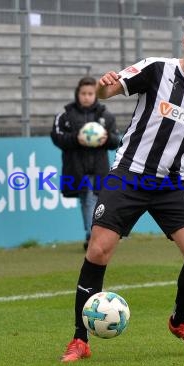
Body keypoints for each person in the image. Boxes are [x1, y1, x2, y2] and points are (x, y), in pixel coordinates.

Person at [60, 14, 184, 362]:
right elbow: (108, 91)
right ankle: (80, 339)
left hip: (173, 183)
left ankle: (180, 321)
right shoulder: (156, 69)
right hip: (129, 173)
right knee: (99, 250)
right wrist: (102, 86)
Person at [51, 76, 119, 251]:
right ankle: (93, 236)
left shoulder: (105, 115)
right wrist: (77, 138)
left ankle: (94, 235)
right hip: (77, 168)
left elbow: (115, 141)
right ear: (78, 94)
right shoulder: (65, 115)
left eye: (90, 93)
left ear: (96, 94)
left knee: (95, 201)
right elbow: (57, 137)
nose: (87, 97)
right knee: (88, 199)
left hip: (99, 169)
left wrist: (105, 139)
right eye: (84, 93)